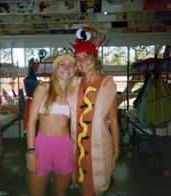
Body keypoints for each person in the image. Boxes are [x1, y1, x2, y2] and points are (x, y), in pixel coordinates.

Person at [68, 27, 120, 195]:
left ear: (94, 58)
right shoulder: (72, 84)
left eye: (86, 56)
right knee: (82, 184)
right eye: (77, 58)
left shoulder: (107, 84)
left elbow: (113, 119)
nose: (82, 61)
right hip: (77, 146)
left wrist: (117, 150)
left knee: (97, 186)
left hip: (100, 145)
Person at [26, 48, 76, 196]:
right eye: (62, 64)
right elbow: (31, 121)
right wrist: (30, 151)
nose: (67, 68)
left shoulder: (75, 92)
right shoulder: (42, 88)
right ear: (55, 67)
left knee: (60, 193)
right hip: (42, 146)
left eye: (71, 65)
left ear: (75, 70)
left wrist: (103, 119)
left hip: (65, 146)